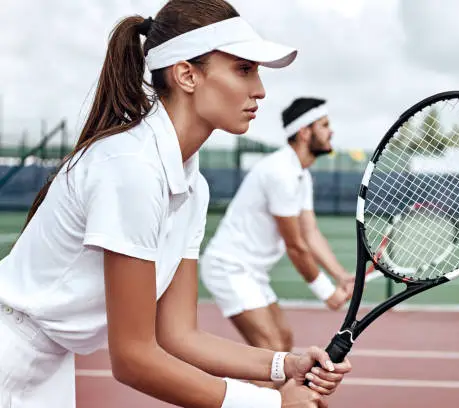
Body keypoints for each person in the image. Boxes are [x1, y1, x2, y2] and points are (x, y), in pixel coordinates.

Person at [0, 2, 351, 408]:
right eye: (243, 69)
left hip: (46, 367)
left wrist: (284, 365)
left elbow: (178, 335)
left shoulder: (191, 186)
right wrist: (270, 404)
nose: (260, 89)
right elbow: (132, 358)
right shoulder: (130, 167)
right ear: (187, 74)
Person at [199, 97, 355, 355]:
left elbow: (310, 232)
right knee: (270, 350)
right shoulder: (280, 173)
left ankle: (263, 395)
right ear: (305, 133)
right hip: (229, 268)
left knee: (282, 342)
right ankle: (243, 397)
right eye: (324, 125)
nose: (331, 131)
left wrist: (341, 275)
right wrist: (327, 292)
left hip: (253, 272)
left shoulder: (300, 174)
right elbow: (296, 246)